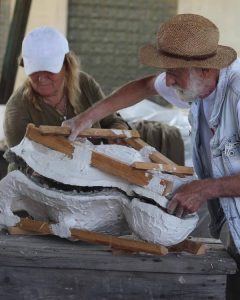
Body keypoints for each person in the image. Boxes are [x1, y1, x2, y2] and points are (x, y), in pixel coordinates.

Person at [62, 13, 240, 261]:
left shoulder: (237, 93)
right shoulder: (197, 81)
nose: (167, 80)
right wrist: (88, 117)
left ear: (205, 69)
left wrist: (204, 189)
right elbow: (144, 86)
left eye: (173, 72)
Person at [3, 26, 129, 152]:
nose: (41, 78)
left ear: (67, 65)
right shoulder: (17, 109)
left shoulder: (85, 84)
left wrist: (116, 136)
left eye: (49, 70)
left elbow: (111, 121)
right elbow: (20, 159)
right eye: (35, 71)